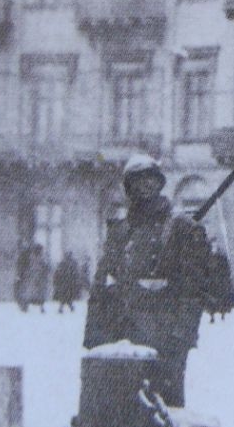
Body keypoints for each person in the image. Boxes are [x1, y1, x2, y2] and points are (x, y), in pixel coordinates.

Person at [84, 154, 212, 407]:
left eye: (150, 180)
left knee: (164, 413)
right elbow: (100, 287)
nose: (144, 187)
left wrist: (180, 339)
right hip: (119, 342)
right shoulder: (120, 231)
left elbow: (193, 291)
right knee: (119, 415)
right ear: (128, 187)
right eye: (137, 181)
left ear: (160, 183)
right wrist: (94, 337)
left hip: (163, 343)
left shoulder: (180, 227)